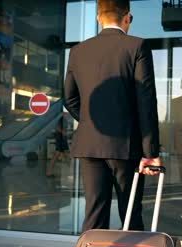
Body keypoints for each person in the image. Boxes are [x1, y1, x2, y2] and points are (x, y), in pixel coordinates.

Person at [64, 0, 161, 232]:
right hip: (126, 147)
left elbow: (69, 98)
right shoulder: (137, 46)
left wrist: (90, 120)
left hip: (90, 144)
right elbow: (146, 102)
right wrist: (151, 152)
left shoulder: (78, 51)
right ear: (127, 17)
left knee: (94, 213)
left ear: (99, 18)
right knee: (130, 214)